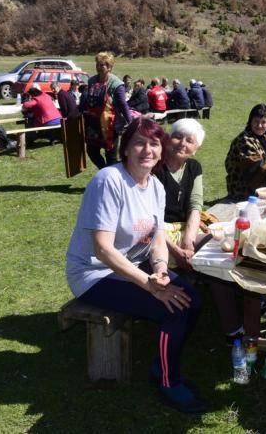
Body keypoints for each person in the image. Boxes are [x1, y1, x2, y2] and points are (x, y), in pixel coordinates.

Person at [65, 117, 207, 413]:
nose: (147, 150)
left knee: (192, 300)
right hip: (94, 274)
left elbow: (157, 238)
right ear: (125, 149)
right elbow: (102, 250)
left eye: (154, 143)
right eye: (139, 143)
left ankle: (160, 366)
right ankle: (169, 383)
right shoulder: (109, 180)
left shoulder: (154, 186)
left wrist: (161, 271)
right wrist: (150, 286)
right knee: (174, 306)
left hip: (135, 267)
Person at [154, 119, 206, 269]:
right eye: (177, 137)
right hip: (159, 230)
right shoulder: (155, 167)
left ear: (195, 149)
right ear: (168, 139)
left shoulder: (194, 167)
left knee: (216, 243)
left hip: (185, 228)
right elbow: (149, 217)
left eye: (190, 141)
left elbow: (195, 205)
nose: (182, 143)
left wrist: (189, 241)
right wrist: (177, 251)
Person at [80, 51, 133, 169]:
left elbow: (123, 104)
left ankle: (111, 180)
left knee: (111, 156)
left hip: (111, 126)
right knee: (91, 151)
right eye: (97, 64)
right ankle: (104, 171)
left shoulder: (117, 84)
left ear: (109, 67)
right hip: (93, 124)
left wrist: (131, 122)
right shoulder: (92, 80)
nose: (98, 67)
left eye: (102, 65)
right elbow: (86, 99)